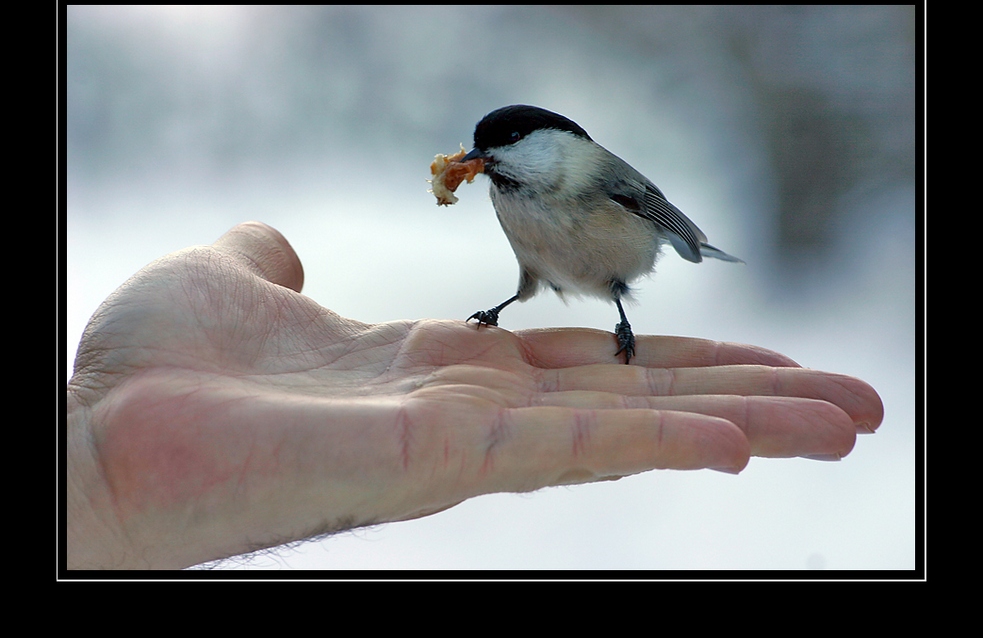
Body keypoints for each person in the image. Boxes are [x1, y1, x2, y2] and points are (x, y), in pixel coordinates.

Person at [67, 221, 883, 570]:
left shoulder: (588, 176)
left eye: (504, 148)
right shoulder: (502, 187)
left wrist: (101, 477)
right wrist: (100, 480)